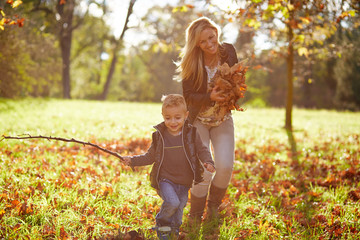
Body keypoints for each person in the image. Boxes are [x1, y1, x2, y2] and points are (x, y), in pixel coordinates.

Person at [123, 94, 215, 239]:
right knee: (172, 202)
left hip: (184, 182)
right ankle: (161, 223)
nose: (172, 122)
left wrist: (208, 162)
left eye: (177, 117)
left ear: (186, 115)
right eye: (168, 118)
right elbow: (150, 156)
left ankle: (171, 232)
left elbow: (202, 150)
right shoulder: (159, 136)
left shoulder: (191, 134)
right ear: (163, 116)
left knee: (178, 213)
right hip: (166, 179)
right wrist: (132, 160)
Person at [175, 16, 239, 221]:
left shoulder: (228, 51)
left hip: (222, 119)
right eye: (203, 42)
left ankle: (213, 207)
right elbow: (188, 97)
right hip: (198, 121)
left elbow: (236, 79)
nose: (209, 44)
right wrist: (209, 97)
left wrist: (232, 92)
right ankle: (194, 215)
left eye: (211, 37)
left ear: (216, 32)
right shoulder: (192, 61)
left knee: (226, 166)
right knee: (204, 169)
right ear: (197, 44)